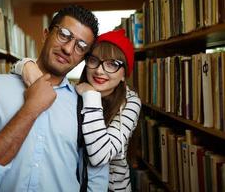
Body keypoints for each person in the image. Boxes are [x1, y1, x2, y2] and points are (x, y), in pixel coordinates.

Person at [0, 5, 109, 192]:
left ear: (83, 59)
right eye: (64, 34)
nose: (68, 49)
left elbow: (97, 178)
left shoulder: (84, 105)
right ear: (46, 34)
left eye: (81, 47)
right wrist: (31, 108)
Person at [13, 29, 141, 192]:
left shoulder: (130, 101)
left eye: (112, 64)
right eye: (94, 60)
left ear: (124, 74)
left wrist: (91, 96)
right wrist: (25, 65)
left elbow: (100, 155)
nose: (99, 71)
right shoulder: (75, 92)